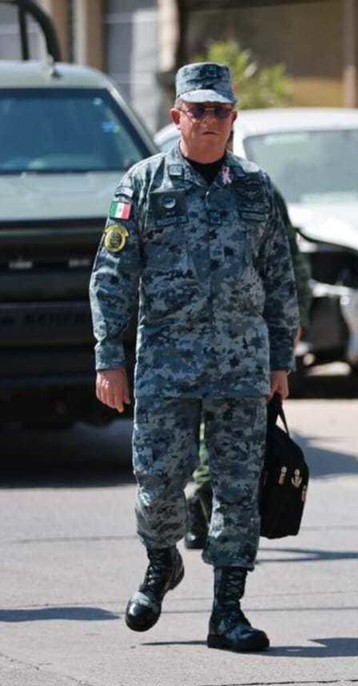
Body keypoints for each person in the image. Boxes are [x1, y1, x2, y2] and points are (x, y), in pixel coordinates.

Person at [89, 62, 298, 652]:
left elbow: (280, 279)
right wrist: (110, 359)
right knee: (158, 489)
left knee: (237, 492)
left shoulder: (256, 187)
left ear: (233, 120)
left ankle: (227, 613)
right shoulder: (144, 184)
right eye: (198, 110)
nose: (209, 121)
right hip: (165, 368)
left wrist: (281, 360)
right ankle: (163, 561)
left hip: (242, 369)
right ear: (177, 115)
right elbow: (112, 277)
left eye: (220, 111)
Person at [185, 130, 312, 551]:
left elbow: (287, 259)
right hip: (187, 342)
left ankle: (210, 510)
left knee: (236, 434)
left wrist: (296, 316)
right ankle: (201, 506)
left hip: (247, 340)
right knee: (206, 430)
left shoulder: (258, 188)